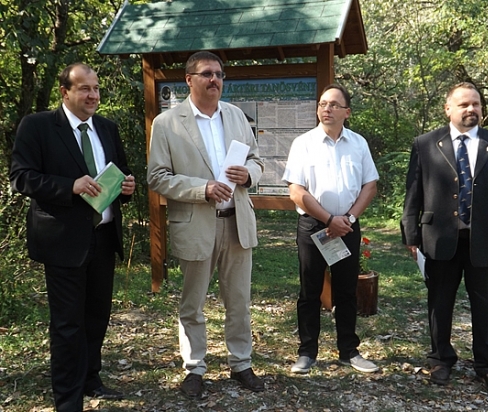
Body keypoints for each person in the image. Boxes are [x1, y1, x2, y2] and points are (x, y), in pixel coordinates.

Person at [10, 63, 136, 411]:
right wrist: (70, 186)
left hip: (104, 237)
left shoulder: (107, 128)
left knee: (97, 316)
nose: (93, 95)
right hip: (62, 241)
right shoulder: (37, 126)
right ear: (65, 92)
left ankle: (91, 379)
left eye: (96, 89)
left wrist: (127, 186)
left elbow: (121, 172)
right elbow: (21, 177)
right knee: (68, 324)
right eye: (84, 89)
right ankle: (68, 399)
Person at [147, 51, 265, 399]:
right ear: (189, 80)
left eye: (219, 74)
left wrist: (249, 174)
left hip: (236, 222)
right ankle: (194, 368)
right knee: (193, 304)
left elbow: (256, 160)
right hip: (195, 223)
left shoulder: (236, 116)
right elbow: (157, 177)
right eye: (207, 74)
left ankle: (241, 364)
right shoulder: (167, 123)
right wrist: (203, 189)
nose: (215, 80)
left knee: (239, 301)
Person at [401, 82, 488, 395]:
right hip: (439, 239)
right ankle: (441, 360)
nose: (471, 109)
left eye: (476, 104)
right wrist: (411, 234)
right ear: (448, 109)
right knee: (439, 304)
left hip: (487, 240)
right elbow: (413, 194)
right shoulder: (426, 144)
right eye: (464, 104)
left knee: (486, 308)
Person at [282, 84, 379, 375]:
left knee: (346, 290)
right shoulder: (303, 143)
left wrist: (348, 218)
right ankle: (307, 352)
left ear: (347, 112)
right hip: (315, 226)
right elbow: (296, 191)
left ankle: (349, 351)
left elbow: (370, 185)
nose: (327, 109)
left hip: (347, 226)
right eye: (323, 104)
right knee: (310, 291)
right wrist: (328, 219)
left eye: (334, 105)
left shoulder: (358, 143)